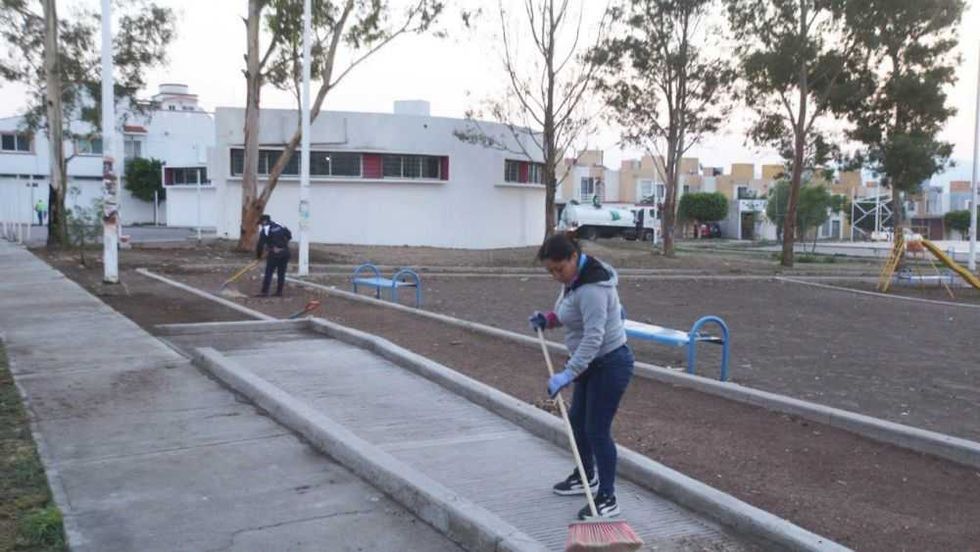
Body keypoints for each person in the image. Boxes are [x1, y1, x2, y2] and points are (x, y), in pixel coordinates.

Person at [528, 234, 634, 521]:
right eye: (550, 271)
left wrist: (568, 373)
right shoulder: (574, 280)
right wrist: (550, 319)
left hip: (610, 364)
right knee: (577, 423)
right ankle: (586, 477)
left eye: (558, 269)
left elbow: (594, 336)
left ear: (573, 258)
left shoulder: (592, 288)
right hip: (590, 365)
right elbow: (570, 313)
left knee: (597, 430)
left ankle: (608, 498)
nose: (555, 276)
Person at [255, 214, 292, 297]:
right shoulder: (280, 225)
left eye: (261, 223)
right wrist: (282, 245)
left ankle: (264, 292)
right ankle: (279, 292)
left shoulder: (265, 230)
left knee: (269, 272)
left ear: (264, 221)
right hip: (285, 253)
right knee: (281, 273)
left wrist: (258, 256)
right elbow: (289, 235)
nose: (261, 225)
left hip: (274, 254)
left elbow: (260, 245)